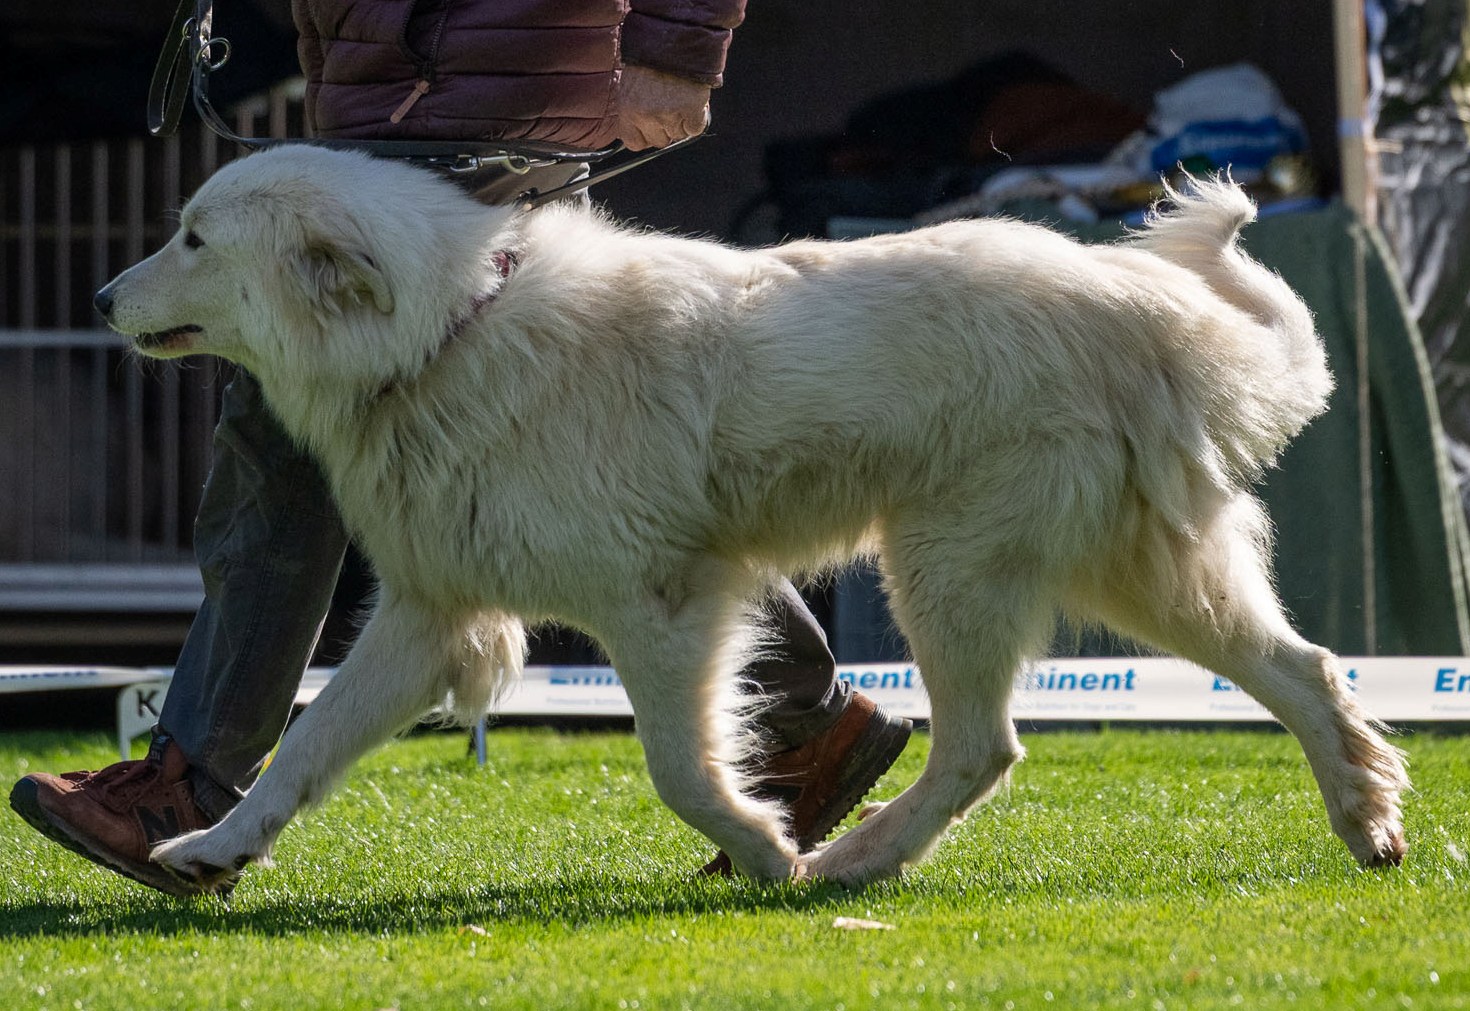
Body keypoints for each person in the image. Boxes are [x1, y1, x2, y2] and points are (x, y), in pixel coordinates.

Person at [8, 0, 910, 895]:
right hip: (384, 125)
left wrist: (679, 49)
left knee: (287, 449)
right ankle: (808, 724)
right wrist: (332, 70)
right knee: (612, 495)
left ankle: (192, 780)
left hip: (505, 108)